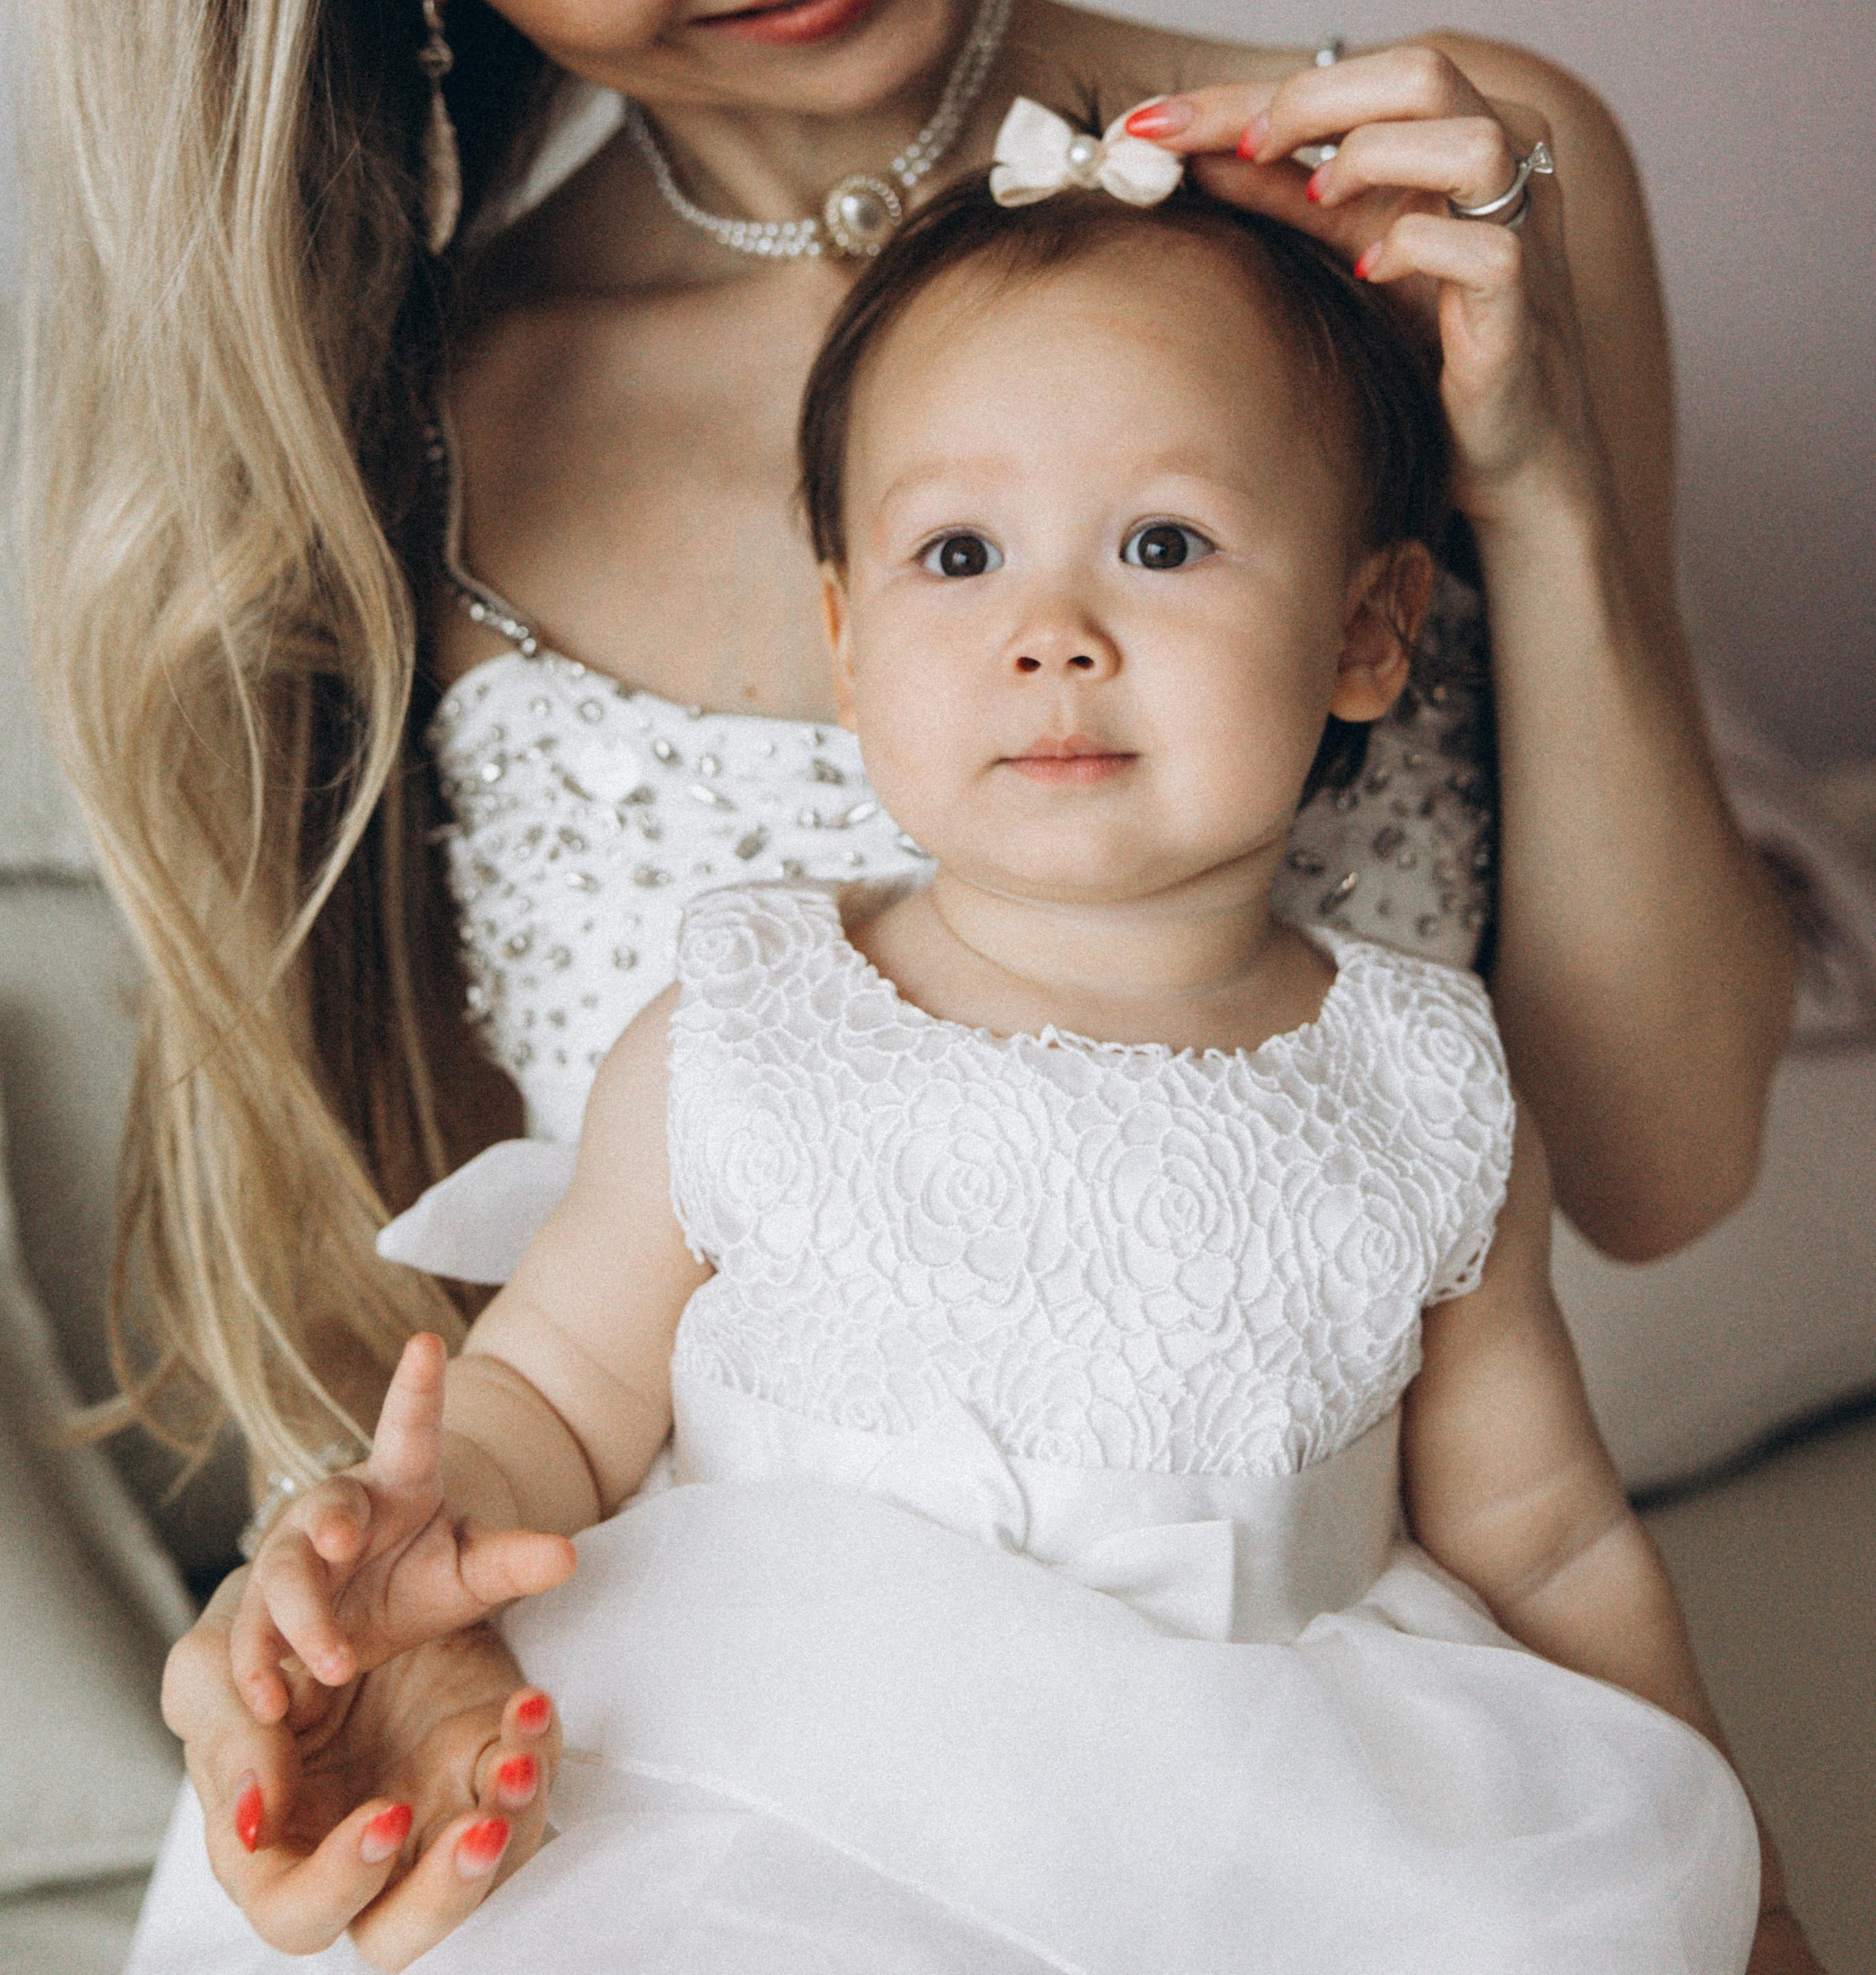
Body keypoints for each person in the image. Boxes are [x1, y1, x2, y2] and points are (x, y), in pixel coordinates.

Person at [0, 0, 1794, 1969]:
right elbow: (500, 1385)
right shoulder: (417, 446)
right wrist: (347, 1626)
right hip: (732, 1805)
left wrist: (1528, 486)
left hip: (1310, 1795)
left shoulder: (1449, 191)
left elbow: (1658, 1168)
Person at [214, 147, 1804, 1971]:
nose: (1052, 633)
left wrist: (1730, 1887)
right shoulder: (750, 1023)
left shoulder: (1422, 1087)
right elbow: (561, 1392)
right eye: (958, 556)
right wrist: (433, 1520)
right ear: (845, 641)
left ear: (1368, 629)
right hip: (763, 1794)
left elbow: (1545, 1542)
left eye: (1162, 544)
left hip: (1258, 1848)